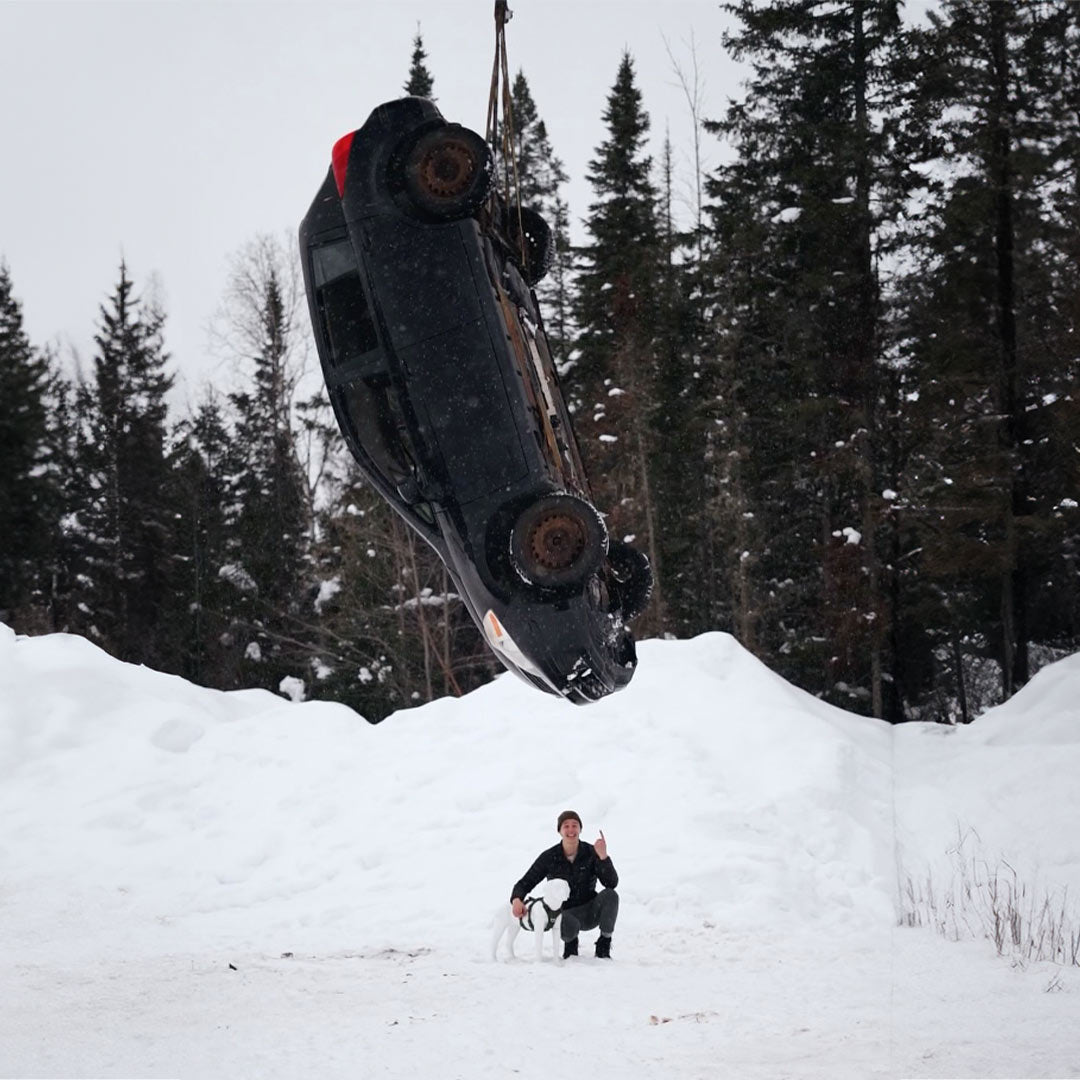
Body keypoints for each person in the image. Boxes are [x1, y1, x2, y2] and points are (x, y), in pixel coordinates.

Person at [510, 810, 619, 959]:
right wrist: (517, 899)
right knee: (564, 919)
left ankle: (604, 945)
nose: (571, 830)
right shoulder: (549, 857)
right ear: (559, 831)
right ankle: (571, 945)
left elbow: (611, 883)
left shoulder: (591, 852)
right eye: (566, 826)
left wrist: (603, 857)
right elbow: (526, 881)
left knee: (611, 895)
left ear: (580, 829)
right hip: (565, 916)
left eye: (574, 825)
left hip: (590, 910)